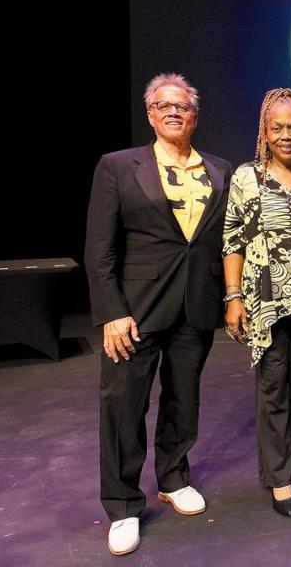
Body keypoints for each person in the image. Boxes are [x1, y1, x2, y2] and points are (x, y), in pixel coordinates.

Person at [85, 73, 231, 556]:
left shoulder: (219, 170)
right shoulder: (118, 167)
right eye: (164, 105)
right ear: (150, 114)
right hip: (135, 312)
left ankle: (173, 476)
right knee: (124, 407)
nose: (174, 112)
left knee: (182, 399)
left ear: (195, 116)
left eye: (183, 106)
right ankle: (124, 504)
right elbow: (100, 249)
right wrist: (111, 312)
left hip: (196, 305)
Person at [222, 88, 291, 517]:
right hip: (266, 301)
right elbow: (232, 239)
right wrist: (233, 296)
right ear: (264, 132)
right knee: (273, 385)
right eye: (277, 127)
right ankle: (277, 475)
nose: (286, 135)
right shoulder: (246, 177)